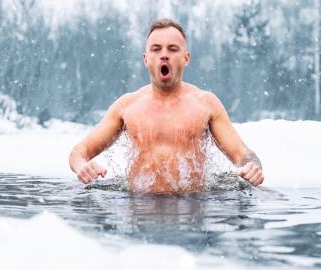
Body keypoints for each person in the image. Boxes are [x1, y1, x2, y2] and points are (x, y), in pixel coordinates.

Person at [69, 18, 264, 194]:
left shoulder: (205, 104)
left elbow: (243, 154)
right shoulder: (128, 106)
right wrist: (81, 166)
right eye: (156, 49)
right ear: (146, 59)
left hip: (191, 207)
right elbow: (80, 152)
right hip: (139, 209)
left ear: (186, 58)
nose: (164, 55)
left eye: (172, 49)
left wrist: (252, 167)